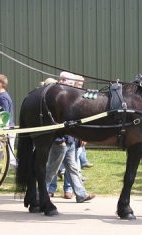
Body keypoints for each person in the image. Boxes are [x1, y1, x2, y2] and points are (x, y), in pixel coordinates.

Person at [45, 72, 95, 202]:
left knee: (72, 168)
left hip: (70, 140)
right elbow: (52, 122)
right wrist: (59, 139)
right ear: (62, 81)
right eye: (71, 83)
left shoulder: (70, 98)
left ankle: (81, 194)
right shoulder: (55, 98)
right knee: (52, 169)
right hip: (59, 141)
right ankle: (42, 193)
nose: (73, 87)